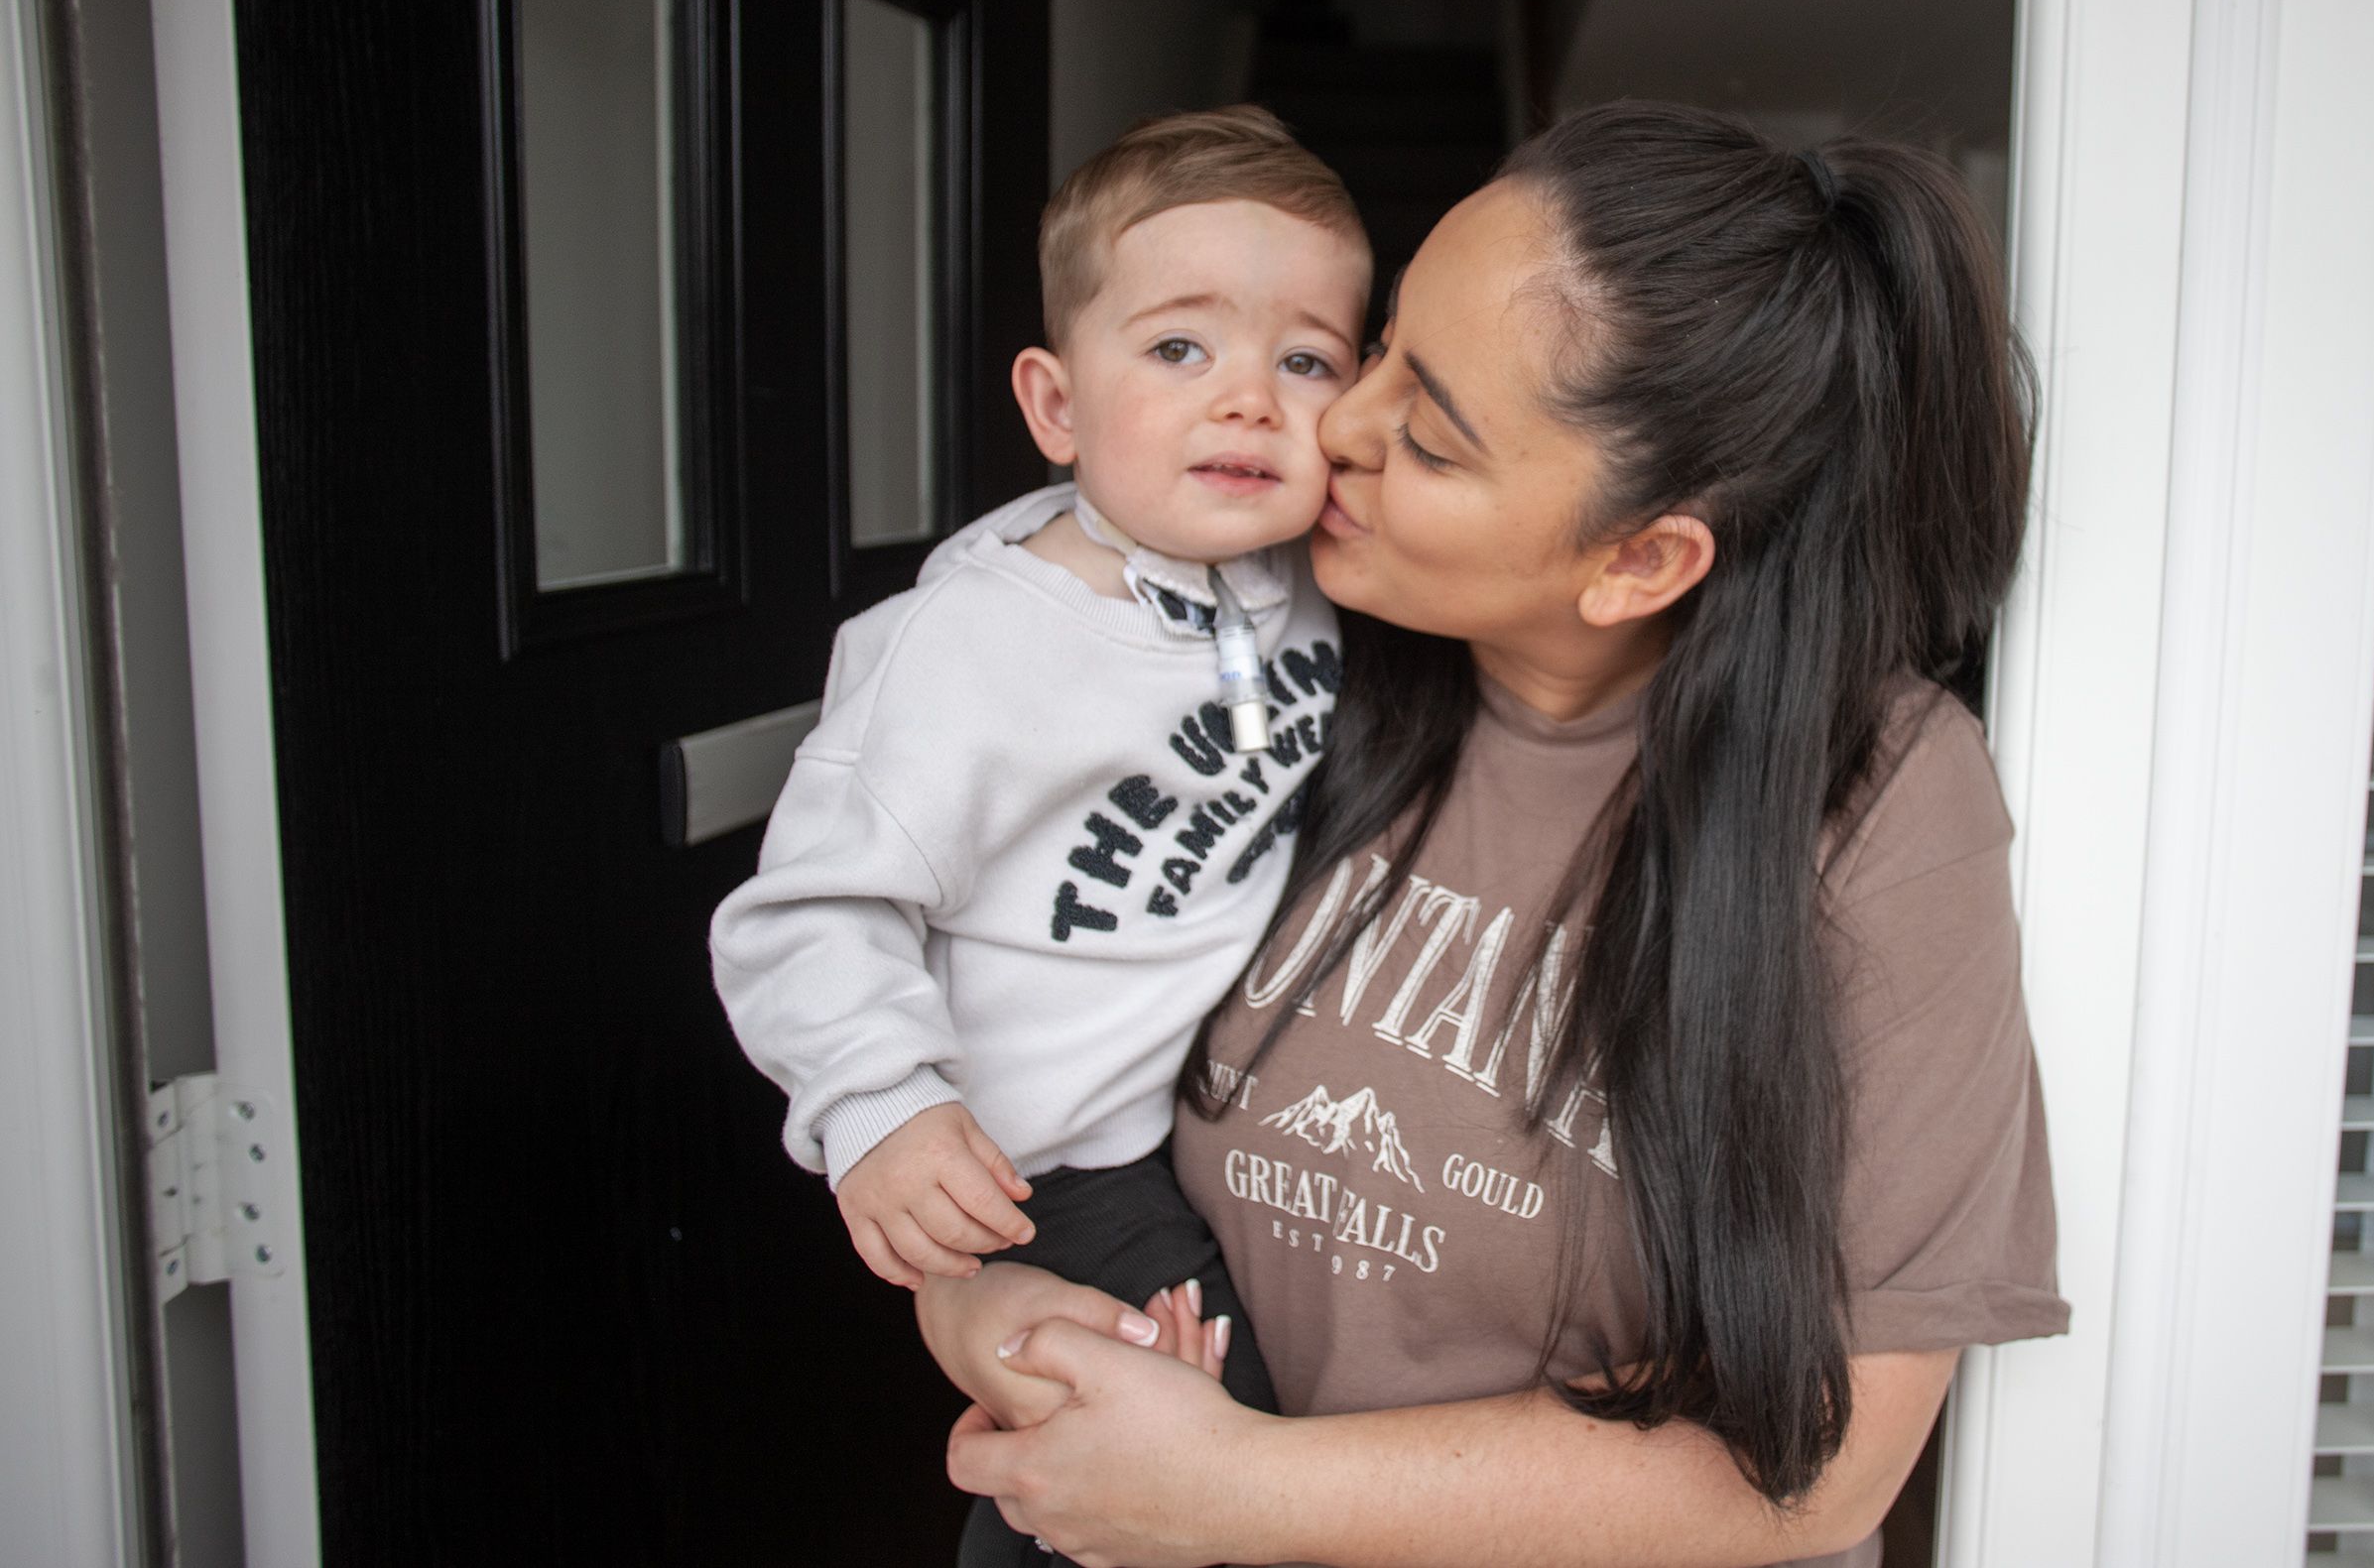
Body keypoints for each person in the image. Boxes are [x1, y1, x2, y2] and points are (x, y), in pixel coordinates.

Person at [917, 101, 2068, 1568]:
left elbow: (1824, 1458)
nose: (1334, 422)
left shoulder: (1882, 794)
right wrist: (973, 1297)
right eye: (1381, 343)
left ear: (1640, 558)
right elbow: (1026, 1035)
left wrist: (1236, 1490)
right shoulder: (1264, 648)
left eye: (1434, 435)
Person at [707, 106, 1372, 1561]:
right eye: (1180, 349)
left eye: (1307, 358)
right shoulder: (971, 646)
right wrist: (878, 1101)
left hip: (1182, 1127)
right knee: (1156, 1454)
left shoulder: (1307, 587)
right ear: (1057, 405)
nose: (1251, 398)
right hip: (1036, 1166)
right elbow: (809, 912)